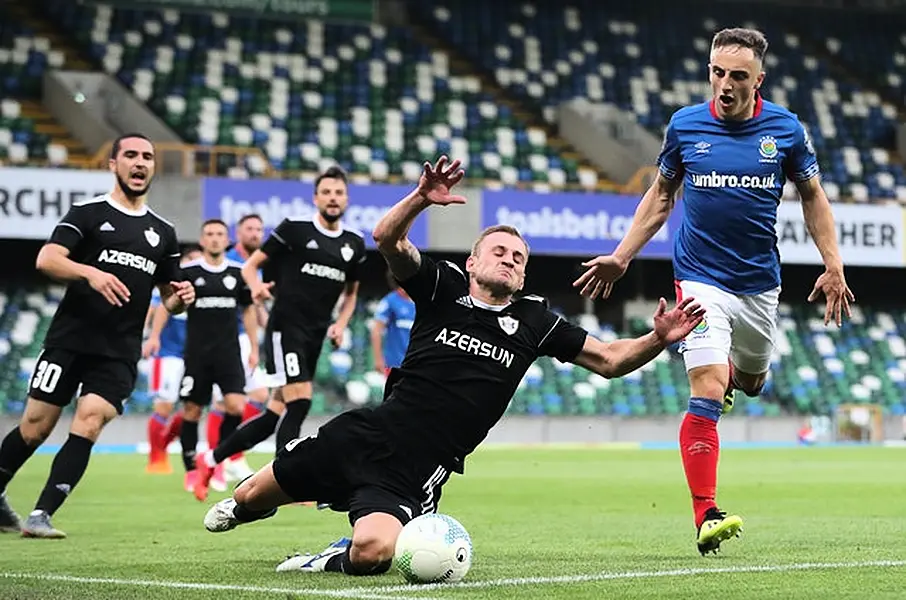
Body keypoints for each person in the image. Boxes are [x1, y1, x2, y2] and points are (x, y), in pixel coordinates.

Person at [200, 156, 705, 577]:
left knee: (374, 553)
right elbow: (386, 239)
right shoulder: (441, 288)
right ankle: (255, 505)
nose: (510, 260)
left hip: (414, 470)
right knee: (246, 497)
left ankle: (325, 559)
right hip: (361, 433)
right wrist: (420, 198)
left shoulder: (535, 319)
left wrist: (658, 338)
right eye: (499, 251)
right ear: (472, 262)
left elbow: (612, 360)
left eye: (519, 257)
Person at [572, 28, 854, 556]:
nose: (724, 85)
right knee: (707, 387)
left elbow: (814, 198)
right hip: (699, 279)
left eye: (738, 76)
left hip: (759, 287)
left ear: (758, 80)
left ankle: (737, 375)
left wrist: (832, 264)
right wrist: (621, 255)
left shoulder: (786, 130)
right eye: (717, 72)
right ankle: (706, 513)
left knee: (750, 382)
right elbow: (660, 196)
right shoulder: (685, 125)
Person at [0, 133, 194, 538]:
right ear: (113, 164)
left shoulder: (164, 231)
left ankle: (41, 515)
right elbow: (47, 258)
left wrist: (182, 299)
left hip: (119, 350)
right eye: (131, 156)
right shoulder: (88, 213)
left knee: (89, 422)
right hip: (70, 339)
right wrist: (90, 272)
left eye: (147, 157)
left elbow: (169, 300)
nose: (140, 163)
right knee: (35, 427)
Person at [192, 166, 366, 501]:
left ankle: (209, 458)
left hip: (315, 335)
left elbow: (352, 293)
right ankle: (288, 479)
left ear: (346, 199)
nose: (333, 198)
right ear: (316, 198)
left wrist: (341, 324)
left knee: (273, 414)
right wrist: (256, 287)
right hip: (285, 328)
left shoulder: (354, 244)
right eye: (326, 192)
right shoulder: (295, 230)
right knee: (300, 402)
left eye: (339, 193)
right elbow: (249, 265)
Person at [174, 220, 257, 501]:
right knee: (192, 411)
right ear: (201, 239)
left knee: (237, 406)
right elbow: (170, 305)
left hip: (229, 354)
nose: (214, 239)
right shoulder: (188, 272)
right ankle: (191, 470)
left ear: (227, 240)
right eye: (209, 234)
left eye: (220, 234)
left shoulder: (238, 273)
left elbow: (248, 311)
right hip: (197, 355)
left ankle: (214, 459)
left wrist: (255, 347)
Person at [205, 214, 269, 485]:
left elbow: (253, 306)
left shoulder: (257, 265)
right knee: (223, 403)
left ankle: (233, 457)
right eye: (249, 229)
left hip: (246, 339)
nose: (255, 234)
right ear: (237, 233)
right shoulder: (226, 261)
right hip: (225, 339)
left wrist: (264, 328)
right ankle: (215, 465)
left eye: (258, 229)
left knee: (259, 394)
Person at [142, 244, 203, 475]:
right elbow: (156, 309)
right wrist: (151, 336)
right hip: (167, 355)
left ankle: (164, 444)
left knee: (192, 408)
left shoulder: (203, 288)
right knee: (164, 406)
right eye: (193, 260)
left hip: (193, 357)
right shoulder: (171, 286)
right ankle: (156, 458)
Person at [370, 268, 415, 376]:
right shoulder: (390, 301)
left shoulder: (420, 302)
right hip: (394, 364)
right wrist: (378, 359)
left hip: (415, 364)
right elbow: (376, 331)